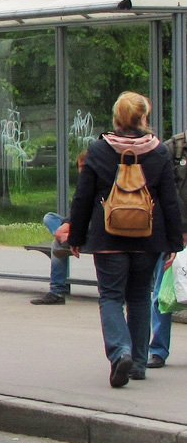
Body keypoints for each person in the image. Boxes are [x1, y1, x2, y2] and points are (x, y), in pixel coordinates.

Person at [67, 92, 183, 387]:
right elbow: (170, 201)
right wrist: (174, 244)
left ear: (117, 118)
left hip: (108, 238)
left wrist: (77, 236)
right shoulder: (158, 152)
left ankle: (121, 353)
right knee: (140, 297)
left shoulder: (98, 150)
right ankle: (139, 364)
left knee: (111, 297)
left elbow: (83, 198)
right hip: (149, 238)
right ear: (144, 118)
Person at [148, 131, 187, 368]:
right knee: (163, 293)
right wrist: (179, 230)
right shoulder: (174, 148)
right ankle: (158, 350)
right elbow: (167, 194)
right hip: (174, 233)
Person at [31, 151, 88, 305]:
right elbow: (76, 210)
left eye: (86, 166)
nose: (83, 169)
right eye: (81, 166)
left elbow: (88, 213)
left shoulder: (97, 183)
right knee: (50, 217)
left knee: (56, 245)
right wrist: (67, 224)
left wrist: (70, 225)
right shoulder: (82, 184)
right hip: (77, 225)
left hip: (93, 230)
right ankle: (66, 239)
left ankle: (56, 291)